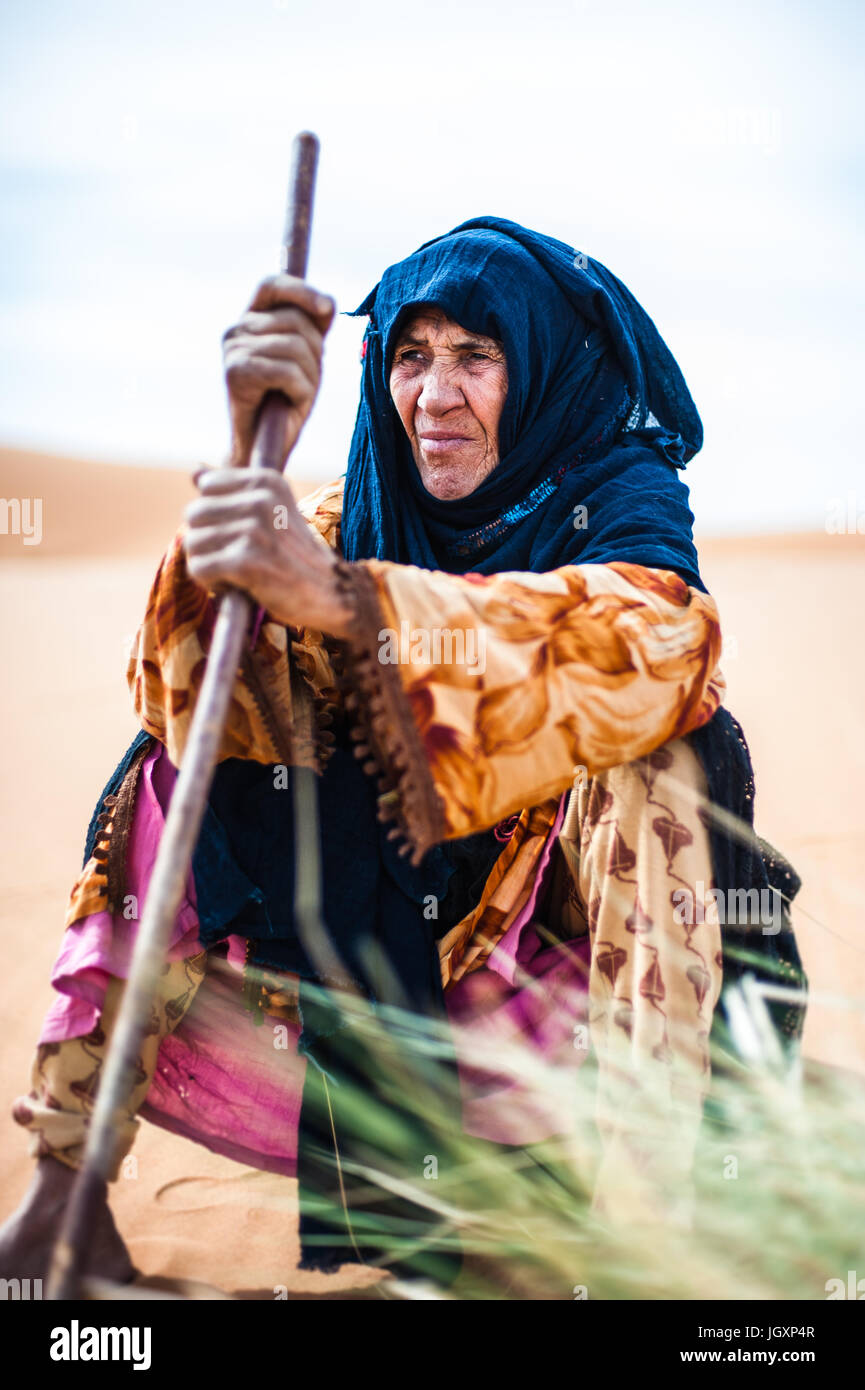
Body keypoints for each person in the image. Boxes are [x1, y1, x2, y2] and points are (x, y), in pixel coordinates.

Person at [1, 217, 806, 1290]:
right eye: (409, 356)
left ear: (543, 371)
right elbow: (178, 689)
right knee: (166, 766)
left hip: (558, 988)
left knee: (673, 766)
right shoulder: (357, 510)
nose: (433, 397)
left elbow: (662, 641)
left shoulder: (619, 502)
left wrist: (350, 604)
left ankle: (655, 1234)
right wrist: (251, 457)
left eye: (476, 356)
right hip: (376, 969)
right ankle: (65, 1191)